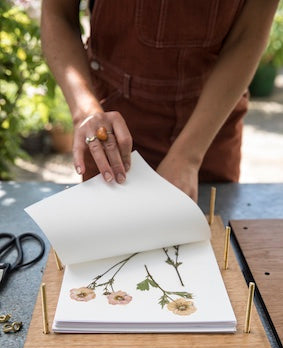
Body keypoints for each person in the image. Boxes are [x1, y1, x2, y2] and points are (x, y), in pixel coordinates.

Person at [41, 0, 279, 201]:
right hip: (115, 127)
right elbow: (57, 14)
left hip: (212, 120)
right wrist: (86, 111)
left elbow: (247, 36)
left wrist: (189, 155)